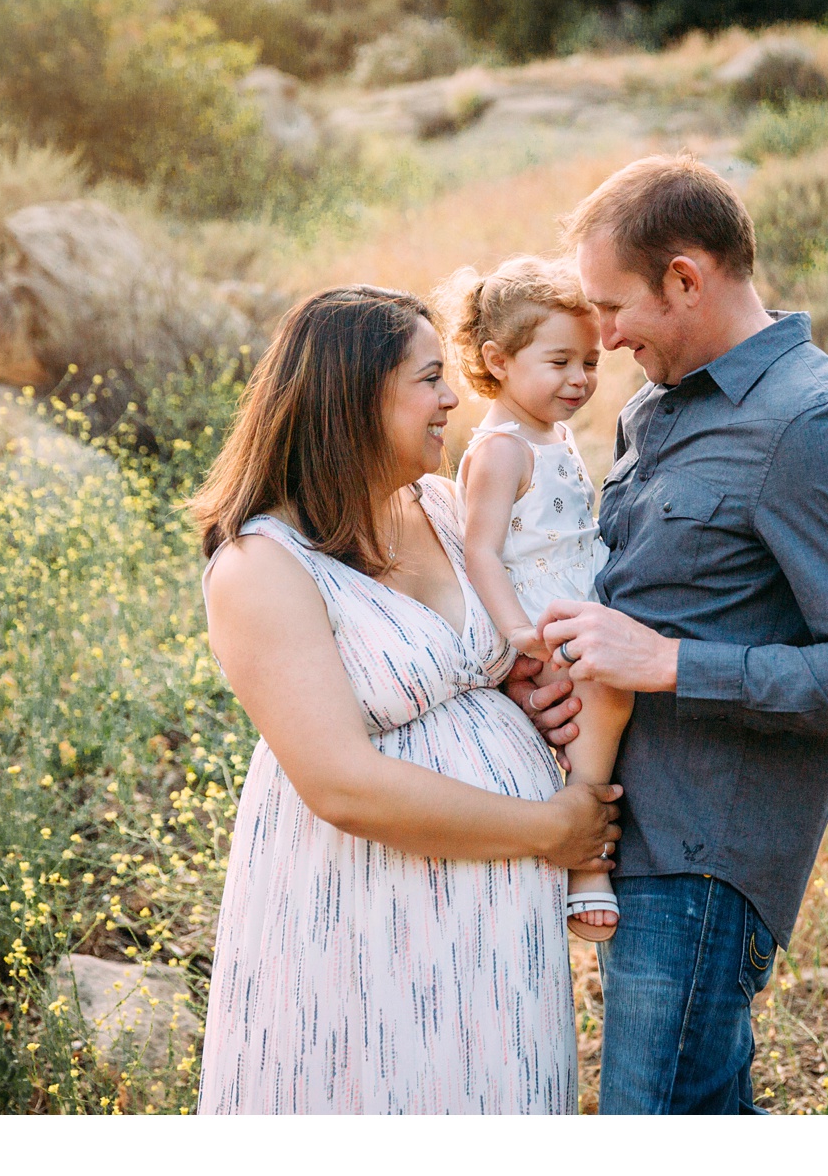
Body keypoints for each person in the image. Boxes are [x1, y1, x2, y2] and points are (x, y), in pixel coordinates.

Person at [506, 154, 828, 1115]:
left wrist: (665, 664)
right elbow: (636, 589)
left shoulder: (811, 424)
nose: (605, 338)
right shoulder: (661, 404)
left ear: (687, 278)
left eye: (615, 308)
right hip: (631, 832)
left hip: (705, 858)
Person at [188, 284, 622, 1114]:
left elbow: (487, 660)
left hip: (499, 925)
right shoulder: (261, 564)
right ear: (355, 398)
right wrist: (553, 827)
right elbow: (340, 783)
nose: (454, 397)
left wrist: (533, 697)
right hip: (366, 911)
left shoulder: (437, 503)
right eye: (429, 378)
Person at [435, 257, 636, 942]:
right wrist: (518, 630)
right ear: (498, 358)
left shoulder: (551, 431)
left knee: (618, 691)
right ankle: (588, 855)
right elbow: (481, 548)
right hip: (545, 622)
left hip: (580, 604)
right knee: (609, 691)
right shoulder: (499, 448)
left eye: (589, 361)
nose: (580, 378)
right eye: (559, 361)